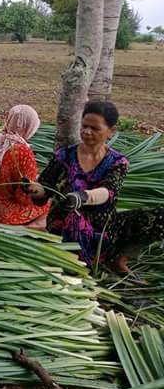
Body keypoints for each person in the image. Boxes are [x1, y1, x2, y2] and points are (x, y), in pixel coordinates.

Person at [22, 101, 164, 279]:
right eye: (84, 126)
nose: (87, 132)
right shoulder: (64, 155)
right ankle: (81, 269)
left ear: (111, 131)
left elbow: (108, 191)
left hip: (105, 226)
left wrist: (82, 197)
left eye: (95, 128)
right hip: (65, 223)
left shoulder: (117, 162)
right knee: (75, 218)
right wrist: (34, 189)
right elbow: (46, 187)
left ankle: (119, 259)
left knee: (160, 217)